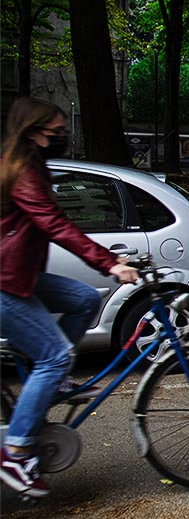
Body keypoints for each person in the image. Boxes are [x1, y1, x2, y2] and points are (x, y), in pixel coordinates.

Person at [0, 97, 139, 498]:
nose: (63, 135)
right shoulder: (23, 170)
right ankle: (15, 452)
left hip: (20, 275)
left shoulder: (30, 164)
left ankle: (52, 379)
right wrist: (110, 263)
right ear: (34, 132)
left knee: (81, 298)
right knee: (54, 354)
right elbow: (55, 224)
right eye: (57, 130)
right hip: (6, 282)